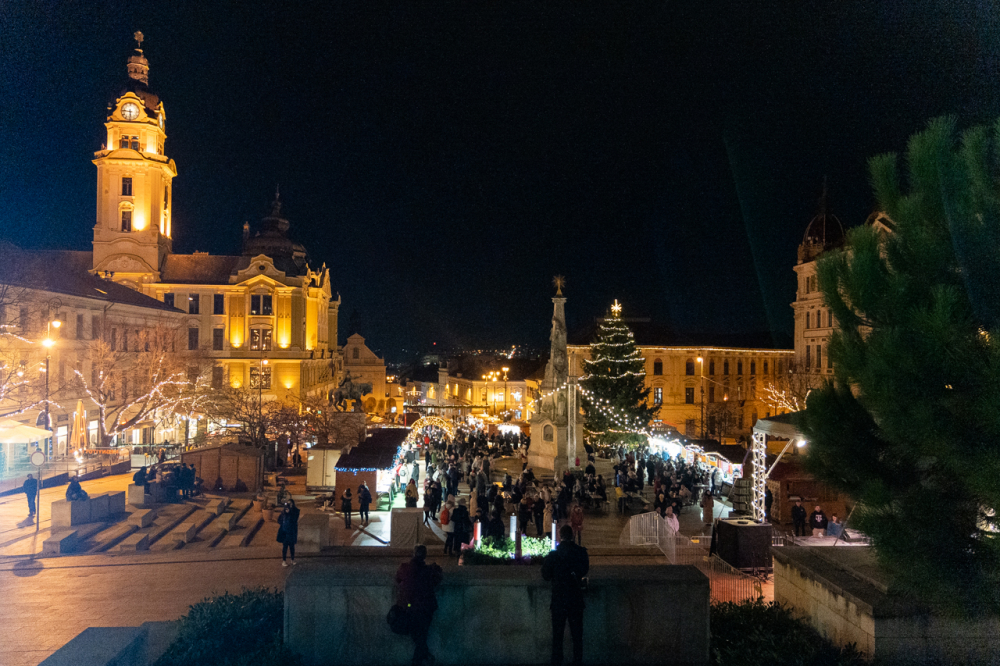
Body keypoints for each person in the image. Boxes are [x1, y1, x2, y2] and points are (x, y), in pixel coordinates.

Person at [542, 524, 590, 666]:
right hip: (575, 599)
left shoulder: (553, 555)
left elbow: (545, 575)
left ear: (560, 536)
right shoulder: (581, 552)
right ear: (573, 536)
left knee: (557, 636)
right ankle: (577, 661)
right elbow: (584, 570)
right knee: (577, 636)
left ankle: (557, 661)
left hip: (559, 599)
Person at [395, 544, 443, 666]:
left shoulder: (405, 568)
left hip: (409, 607)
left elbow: (398, 579)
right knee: (422, 636)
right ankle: (421, 659)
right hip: (425, 608)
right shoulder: (429, 571)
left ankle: (422, 658)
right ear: (424, 556)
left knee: (418, 636)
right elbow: (437, 580)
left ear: (413, 554)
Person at [277, 500, 300, 566]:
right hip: (285, 532)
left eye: (290, 504)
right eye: (288, 503)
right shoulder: (284, 512)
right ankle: (284, 561)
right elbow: (279, 520)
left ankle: (292, 560)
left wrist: (289, 512)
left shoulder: (295, 511)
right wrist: (285, 513)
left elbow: (294, 520)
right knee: (285, 547)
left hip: (292, 532)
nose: (289, 505)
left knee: (292, 546)